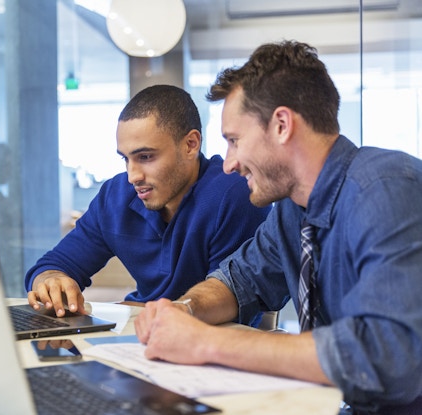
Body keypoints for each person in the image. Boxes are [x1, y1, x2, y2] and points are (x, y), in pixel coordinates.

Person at [134, 40, 422, 414]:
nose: (228, 164)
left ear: (282, 125)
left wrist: (205, 343)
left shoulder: (385, 189)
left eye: (235, 141)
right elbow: (240, 281)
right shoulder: (292, 209)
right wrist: (183, 311)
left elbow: (388, 356)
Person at [25, 85, 271, 317]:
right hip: (140, 332)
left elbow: (232, 299)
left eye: (145, 156)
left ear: (190, 145)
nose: (133, 176)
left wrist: (150, 312)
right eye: (126, 159)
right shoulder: (116, 195)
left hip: (209, 343)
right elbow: (54, 264)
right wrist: (51, 280)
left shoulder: (234, 194)